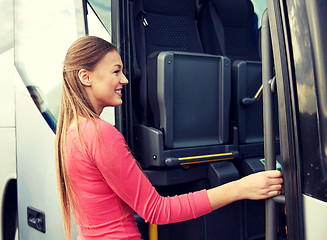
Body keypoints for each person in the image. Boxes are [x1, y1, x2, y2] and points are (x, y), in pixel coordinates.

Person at [55, 36, 283, 240]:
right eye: (116, 72)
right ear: (86, 77)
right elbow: (157, 210)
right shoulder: (99, 133)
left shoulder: (70, 133)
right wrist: (241, 188)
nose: (124, 80)